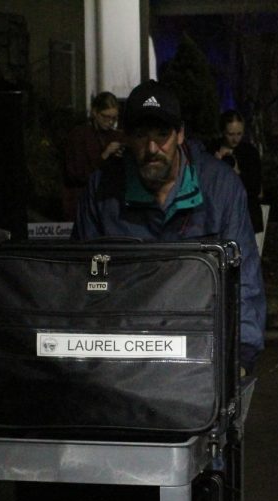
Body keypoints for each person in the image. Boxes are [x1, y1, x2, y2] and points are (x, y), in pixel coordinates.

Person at [73, 80, 267, 374]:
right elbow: (82, 279)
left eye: (162, 134)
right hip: (124, 356)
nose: (152, 148)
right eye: (140, 135)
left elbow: (244, 281)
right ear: (126, 138)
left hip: (201, 352)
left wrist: (241, 353)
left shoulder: (221, 188)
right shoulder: (102, 191)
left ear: (180, 135)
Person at [61, 91, 125, 219]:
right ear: (95, 113)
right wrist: (105, 155)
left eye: (114, 118)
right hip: (82, 204)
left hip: (109, 205)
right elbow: (76, 174)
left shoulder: (117, 136)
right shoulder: (79, 136)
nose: (110, 122)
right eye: (106, 117)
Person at [209, 110, 265, 235]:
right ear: (223, 132)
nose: (235, 139)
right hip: (218, 217)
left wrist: (238, 173)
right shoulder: (211, 149)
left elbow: (255, 188)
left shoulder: (249, 152)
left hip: (246, 218)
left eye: (239, 134)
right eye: (231, 134)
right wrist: (214, 164)